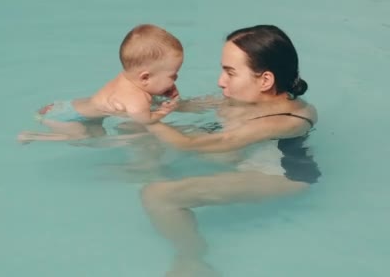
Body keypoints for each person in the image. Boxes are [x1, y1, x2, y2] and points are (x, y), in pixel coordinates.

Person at [140, 25, 320, 276]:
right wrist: (150, 96)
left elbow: (191, 144)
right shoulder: (244, 95)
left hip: (280, 177)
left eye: (230, 73)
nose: (220, 81)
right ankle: (141, 169)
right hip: (242, 156)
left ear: (265, 79)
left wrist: (147, 120)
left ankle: (192, 259)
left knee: (158, 196)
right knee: (144, 134)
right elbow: (187, 107)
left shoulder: (291, 117)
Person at [17, 24, 182, 144]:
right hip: (63, 118)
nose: (175, 79)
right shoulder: (135, 98)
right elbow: (146, 120)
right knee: (81, 137)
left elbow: (149, 87)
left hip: (65, 107)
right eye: (172, 76)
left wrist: (163, 88)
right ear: (145, 77)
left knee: (98, 137)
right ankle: (32, 136)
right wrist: (164, 111)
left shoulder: (128, 78)